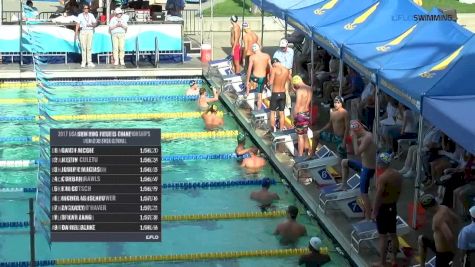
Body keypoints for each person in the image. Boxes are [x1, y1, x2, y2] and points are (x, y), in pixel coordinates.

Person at [339, 120, 377, 220]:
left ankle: (368, 217)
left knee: (364, 193)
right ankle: (343, 185)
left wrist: (354, 139)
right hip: (363, 166)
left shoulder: (368, 137)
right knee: (344, 162)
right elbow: (351, 149)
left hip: (368, 170)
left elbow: (356, 152)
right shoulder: (364, 135)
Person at [371, 152, 402, 267]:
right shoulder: (398, 175)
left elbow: (379, 196)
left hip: (383, 208)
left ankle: (382, 263)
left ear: (380, 164)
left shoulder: (383, 178)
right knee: (393, 234)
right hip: (393, 206)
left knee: (383, 236)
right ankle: (394, 260)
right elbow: (399, 192)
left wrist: (374, 211)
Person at [418, 194, 459, 267]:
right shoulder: (444, 207)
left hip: (443, 253)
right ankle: (422, 265)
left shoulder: (438, 219)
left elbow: (449, 237)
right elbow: (456, 219)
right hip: (441, 246)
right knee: (421, 239)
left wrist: (455, 253)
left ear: (428, 208)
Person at [291, 75, 313, 158]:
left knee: (300, 136)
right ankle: (308, 153)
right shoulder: (309, 88)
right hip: (307, 113)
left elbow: (297, 105)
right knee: (305, 134)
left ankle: (300, 156)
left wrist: (293, 117)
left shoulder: (299, 91)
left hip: (300, 115)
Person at [245, 43, 271, 111]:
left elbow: (249, 70)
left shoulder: (252, 57)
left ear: (253, 50)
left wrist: (247, 81)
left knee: (249, 81)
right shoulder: (267, 56)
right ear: (259, 48)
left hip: (254, 77)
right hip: (261, 79)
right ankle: (259, 110)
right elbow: (271, 68)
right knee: (260, 96)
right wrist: (270, 79)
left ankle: (247, 92)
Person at [268, 58, 290, 132]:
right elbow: (290, 79)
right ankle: (281, 130)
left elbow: (270, 82)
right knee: (281, 113)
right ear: (279, 62)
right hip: (283, 94)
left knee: (272, 112)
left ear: (273, 64)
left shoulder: (274, 69)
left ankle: (272, 130)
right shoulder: (286, 70)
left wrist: (268, 81)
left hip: (275, 93)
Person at [273, 38, 294, 112]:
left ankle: (288, 106)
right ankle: (282, 104)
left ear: (287, 45)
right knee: (280, 89)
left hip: (287, 71)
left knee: (286, 90)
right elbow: (274, 64)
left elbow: (288, 64)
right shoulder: (277, 53)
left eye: (284, 47)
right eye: (281, 47)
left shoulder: (291, 51)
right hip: (280, 73)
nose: (282, 48)